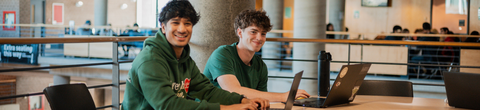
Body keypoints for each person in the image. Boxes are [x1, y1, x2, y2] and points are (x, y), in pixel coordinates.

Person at [121, 1, 269, 110]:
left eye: (187, 23)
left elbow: (207, 90)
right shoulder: (150, 60)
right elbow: (167, 105)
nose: (182, 29)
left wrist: (242, 100)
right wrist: (226, 108)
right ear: (164, 27)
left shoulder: (184, 59)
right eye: (175, 22)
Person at [203, 10, 310, 102]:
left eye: (263, 34)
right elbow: (234, 91)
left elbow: (261, 100)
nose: (259, 38)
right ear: (240, 32)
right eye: (253, 32)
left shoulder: (261, 66)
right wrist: (283, 96)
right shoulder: (222, 54)